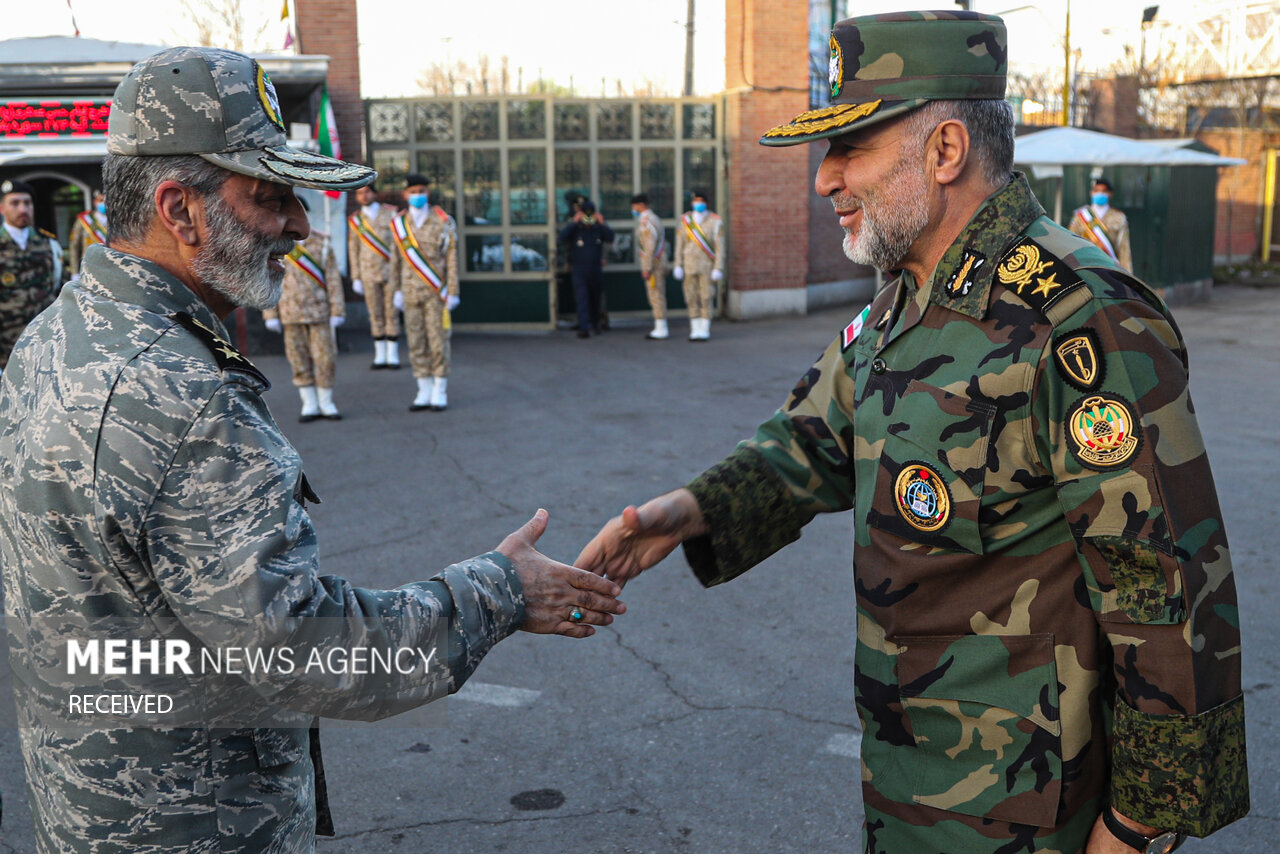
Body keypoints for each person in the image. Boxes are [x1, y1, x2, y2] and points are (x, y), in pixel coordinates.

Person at [577, 11, 1246, 854]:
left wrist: (1138, 826)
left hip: (1033, 814)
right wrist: (687, 511)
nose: (826, 179)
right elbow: (816, 436)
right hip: (907, 787)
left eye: (850, 147)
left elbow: (1169, 590)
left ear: (945, 151)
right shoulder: (904, 297)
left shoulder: (1080, 319)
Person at [0, 46, 624, 854]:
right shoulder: (181, 395)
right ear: (178, 210)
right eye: (270, 196)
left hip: (90, 810)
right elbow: (305, 653)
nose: (298, 223)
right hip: (198, 825)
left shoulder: (53, 337)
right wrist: (500, 591)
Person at [263, 196, 346, 422]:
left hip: (320, 310)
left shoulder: (323, 242)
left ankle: (326, 402)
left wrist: (338, 310)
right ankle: (309, 403)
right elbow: (266, 279)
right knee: (298, 358)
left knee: (325, 358)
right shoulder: (275, 245)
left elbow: (333, 278)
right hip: (290, 311)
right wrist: (270, 312)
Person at [388, 173, 458, 411]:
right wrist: (395, 290)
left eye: (422, 191)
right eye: (414, 191)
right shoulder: (399, 224)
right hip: (409, 292)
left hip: (435, 292)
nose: (418, 195)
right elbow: (395, 260)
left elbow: (451, 258)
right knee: (416, 341)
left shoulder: (443, 221)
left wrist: (454, 291)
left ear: (428, 193)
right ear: (405, 194)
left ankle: (440, 389)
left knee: (438, 340)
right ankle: (423, 389)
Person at [0, 179, 61, 370]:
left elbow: (60, 290)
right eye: (15, 203)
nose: (23, 209)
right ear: (2, 208)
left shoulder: (48, 244)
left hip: (45, 345)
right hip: (7, 349)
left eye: (27, 203)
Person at [347, 182, 399, 368]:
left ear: (375, 194)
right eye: (360, 193)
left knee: (391, 312)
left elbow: (398, 245)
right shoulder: (356, 220)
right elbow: (353, 250)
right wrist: (356, 277)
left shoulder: (391, 214)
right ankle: (380, 355)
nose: (364, 196)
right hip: (367, 273)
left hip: (390, 271)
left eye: (367, 192)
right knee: (375, 313)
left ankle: (393, 355)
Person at [672, 189, 724, 341]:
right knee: (690, 296)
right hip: (688, 265)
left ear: (706, 203)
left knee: (706, 296)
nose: (698, 204)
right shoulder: (686, 221)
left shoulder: (715, 221)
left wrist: (718, 267)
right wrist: (677, 265)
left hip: (707, 266)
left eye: (701, 201)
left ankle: (704, 328)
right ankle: (694, 328)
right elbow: (679, 245)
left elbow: (719, 246)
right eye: (696, 201)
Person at [558, 199, 615, 339]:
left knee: (595, 299)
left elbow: (610, 237)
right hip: (579, 269)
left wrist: (601, 223)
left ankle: (595, 324)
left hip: (595, 269)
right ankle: (584, 327)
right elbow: (562, 237)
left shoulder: (598, 228)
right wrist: (574, 222)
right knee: (582, 299)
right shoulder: (576, 228)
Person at [1070, 178, 1133, 272]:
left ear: (1110, 194)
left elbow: (1124, 248)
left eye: (1104, 191)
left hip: (1111, 268)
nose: (1100, 194)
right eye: (1096, 191)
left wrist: (1127, 276)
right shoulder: (1080, 217)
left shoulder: (1119, 218)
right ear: (1091, 193)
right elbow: (1071, 243)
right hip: (1086, 267)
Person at [631, 192, 669, 340]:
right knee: (657, 295)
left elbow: (649, 246)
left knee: (656, 295)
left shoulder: (647, 221)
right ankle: (660, 326)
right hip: (658, 262)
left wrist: (646, 268)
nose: (633, 209)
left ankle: (661, 328)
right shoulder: (654, 219)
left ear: (641, 205)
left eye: (634, 206)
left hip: (654, 264)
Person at [68, 189, 109, 278]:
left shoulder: (115, 220)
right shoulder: (84, 220)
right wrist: (74, 272)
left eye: (106, 200)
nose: (104, 203)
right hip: (88, 268)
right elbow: (74, 247)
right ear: (95, 202)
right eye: (101, 200)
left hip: (109, 268)